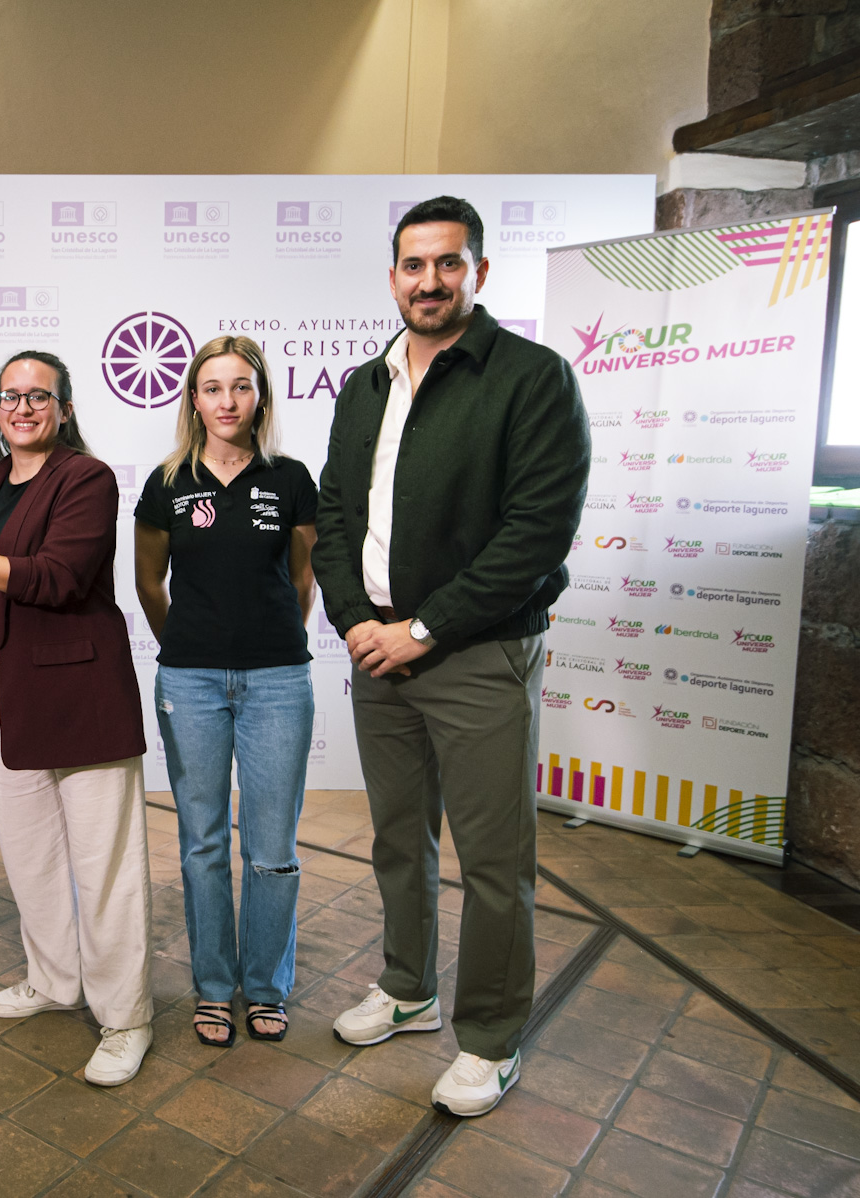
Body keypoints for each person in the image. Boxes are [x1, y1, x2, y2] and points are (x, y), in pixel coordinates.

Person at [313, 196, 589, 1116]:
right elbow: (337, 514)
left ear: (478, 271)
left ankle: (492, 1039)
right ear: (393, 275)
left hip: (475, 651)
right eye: (413, 264)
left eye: (447, 262)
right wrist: (356, 620)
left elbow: (536, 534)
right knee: (399, 839)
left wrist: (423, 629)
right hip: (377, 650)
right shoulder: (366, 384)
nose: (428, 281)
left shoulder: (532, 378)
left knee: (495, 860)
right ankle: (408, 988)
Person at [0, 351, 152, 1086]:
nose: (22, 408)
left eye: (39, 396)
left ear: (64, 409)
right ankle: (54, 979)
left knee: (104, 863)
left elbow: (58, 578)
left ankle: (125, 1016)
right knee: (29, 847)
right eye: (10, 396)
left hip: (78, 683)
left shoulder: (87, 478)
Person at [132, 336, 317, 1049]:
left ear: (260, 397)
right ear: (194, 399)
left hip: (278, 680)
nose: (227, 401)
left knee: (271, 849)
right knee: (203, 844)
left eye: (241, 386)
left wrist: (267, 641)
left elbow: (302, 579)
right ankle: (214, 986)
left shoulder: (291, 478)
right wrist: (190, 643)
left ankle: (265, 985)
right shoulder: (167, 482)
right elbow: (149, 582)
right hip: (191, 680)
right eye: (213, 388)